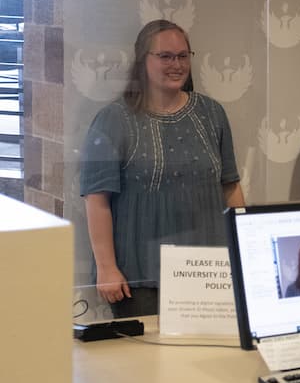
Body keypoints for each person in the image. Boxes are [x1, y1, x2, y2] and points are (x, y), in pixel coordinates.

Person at [80, 19, 245, 318]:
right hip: (139, 277)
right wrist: (106, 267)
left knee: (208, 360)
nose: (176, 64)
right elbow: (97, 199)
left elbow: (230, 186)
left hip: (209, 271)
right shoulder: (113, 119)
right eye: (165, 56)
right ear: (143, 60)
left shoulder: (212, 114)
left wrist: (245, 249)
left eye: (183, 56)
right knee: (147, 364)